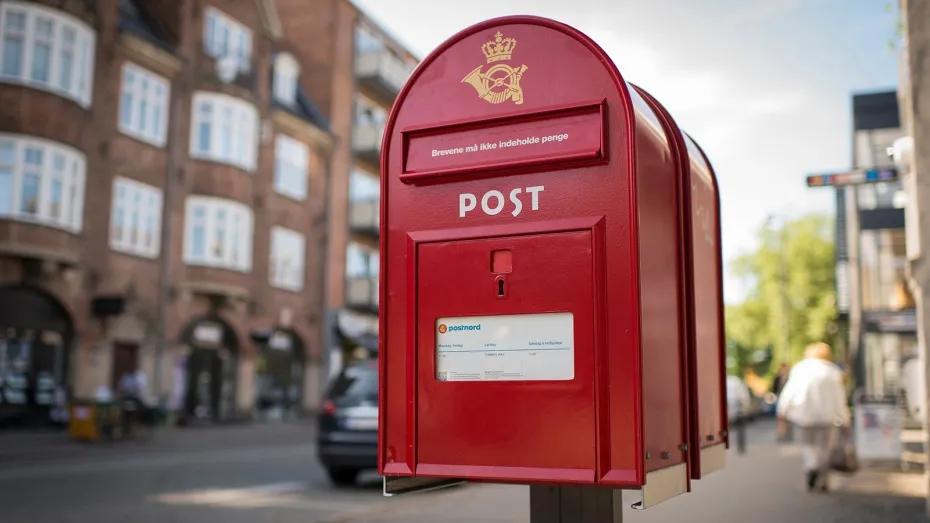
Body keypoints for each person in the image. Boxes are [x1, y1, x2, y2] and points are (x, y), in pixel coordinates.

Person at [776, 342, 850, 492]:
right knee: (826, 448)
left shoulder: (800, 369)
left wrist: (782, 411)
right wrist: (845, 418)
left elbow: (789, 392)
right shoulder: (832, 371)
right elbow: (839, 398)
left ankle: (811, 465)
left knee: (808, 445)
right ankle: (823, 480)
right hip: (828, 417)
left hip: (804, 416)